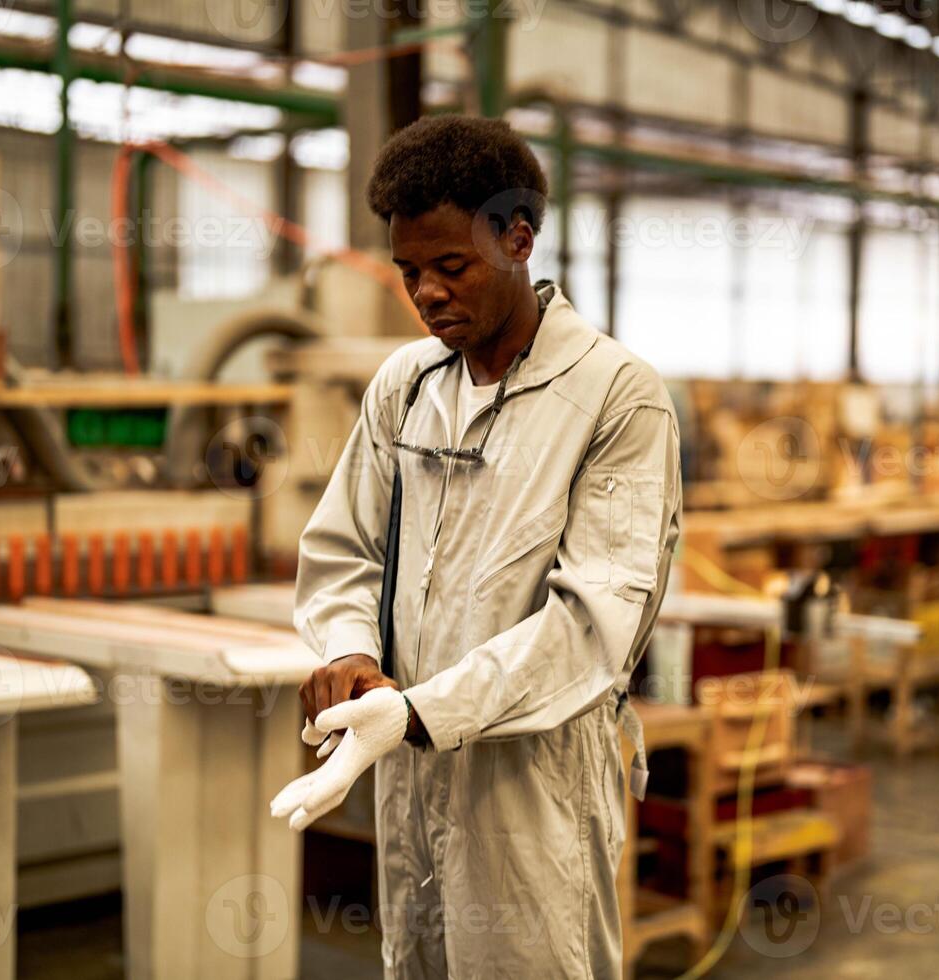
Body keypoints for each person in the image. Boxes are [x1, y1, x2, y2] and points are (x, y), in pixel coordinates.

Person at [288, 115, 682, 978]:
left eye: (451, 267)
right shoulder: (407, 386)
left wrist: (424, 713)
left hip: (532, 777)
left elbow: (592, 624)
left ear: (519, 238)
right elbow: (345, 547)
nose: (427, 293)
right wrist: (353, 652)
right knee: (418, 961)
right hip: (408, 762)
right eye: (409, 273)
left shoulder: (616, 396)